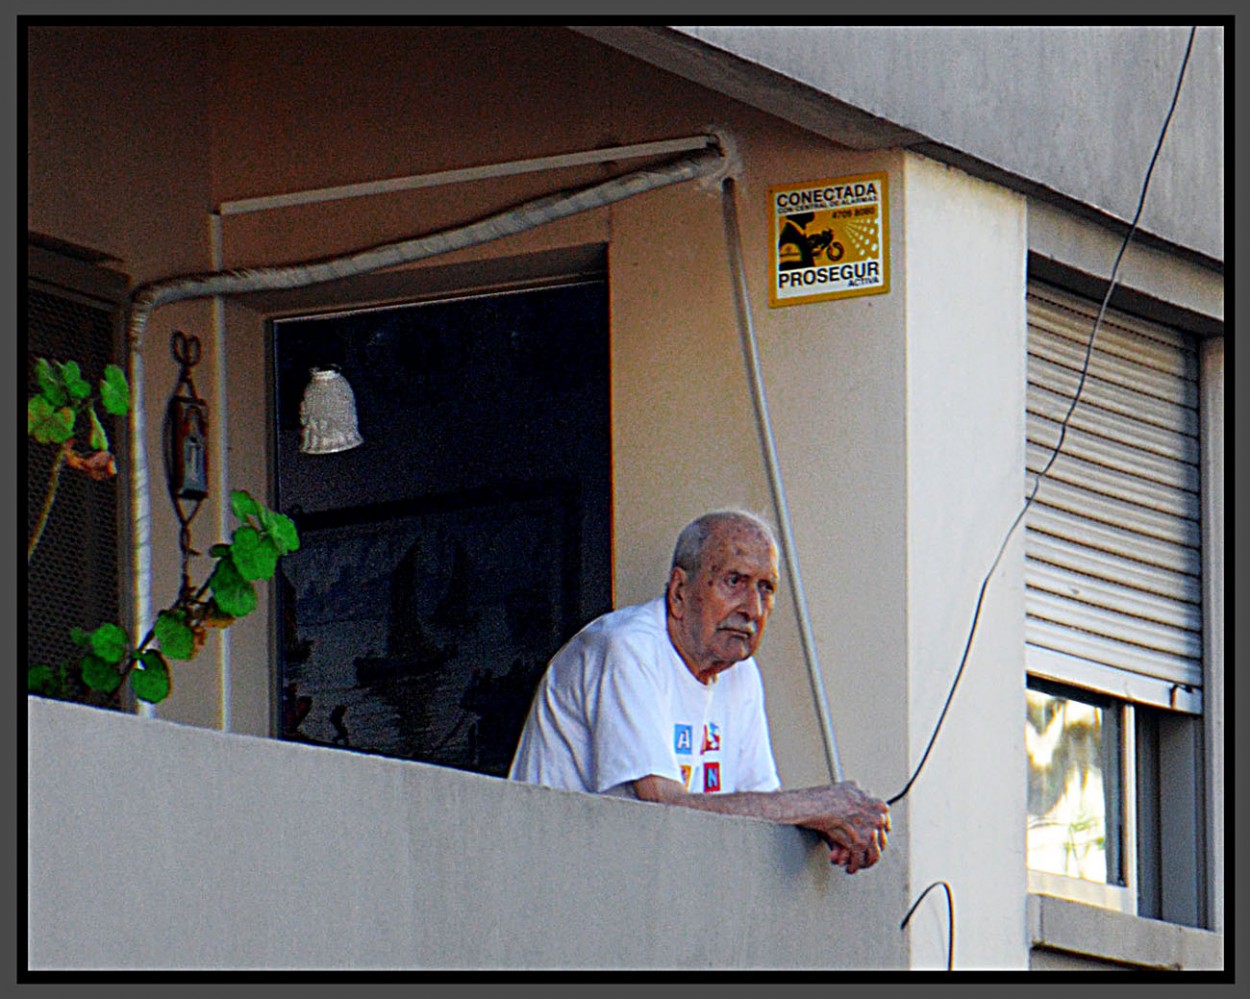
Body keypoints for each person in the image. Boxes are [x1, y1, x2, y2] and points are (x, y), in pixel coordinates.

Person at [508, 510, 890, 874]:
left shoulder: (741, 674)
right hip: (556, 877)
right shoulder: (628, 647)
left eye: (766, 588)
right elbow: (662, 809)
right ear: (678, 592)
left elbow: (764, 808)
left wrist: (833, 826)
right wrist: (820, 806)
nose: (753, 609)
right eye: (734, 581)